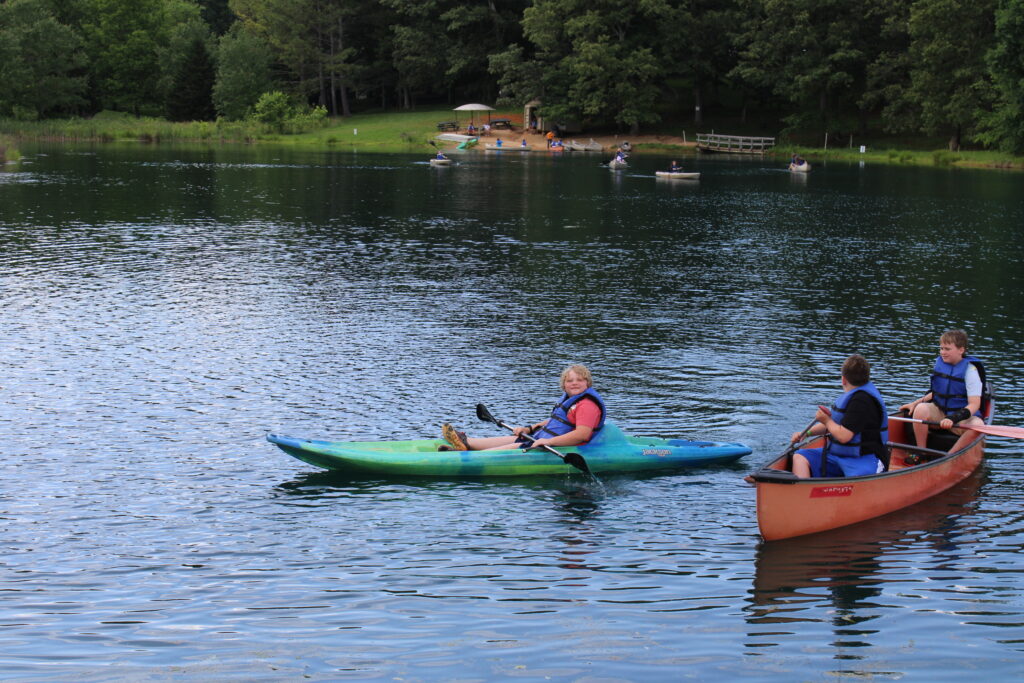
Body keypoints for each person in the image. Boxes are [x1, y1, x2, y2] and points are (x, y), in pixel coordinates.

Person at [440, 364, 606, 451]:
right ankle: (467, 443)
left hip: (561, 446)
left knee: (514, 446)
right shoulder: (570, 400)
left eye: (579, 380)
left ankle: (464, 456)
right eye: (570, 381)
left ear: (588, 383)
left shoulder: (587, 405)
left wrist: (548, 441)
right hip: (543, 438)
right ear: (564, 384)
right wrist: (529, 428)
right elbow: (558, 421)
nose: (574, 383)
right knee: (515, 439)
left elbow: (581, 435)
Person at [789, 354, 889, 478]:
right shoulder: (852, 397)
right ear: (867, 377)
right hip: (838, 456)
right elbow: (833, 425)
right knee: (800, 457)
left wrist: (826, 420)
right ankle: (803, 492)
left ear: (843, 379)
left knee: (857, 479)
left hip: (865, 459)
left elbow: (843, 436)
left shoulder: (862, 401)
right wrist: (806, 433)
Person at [898, 329, 987, 453]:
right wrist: (916, 403)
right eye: (941, 348)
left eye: (947, 349)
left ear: (961, 350)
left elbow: (974, 404)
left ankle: (950, 456)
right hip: (940, 412)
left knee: (978, 426)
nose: (943, 353)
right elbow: (937, 393)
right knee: (920, 409)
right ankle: (921, 451)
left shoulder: (970, 371)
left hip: (961, 417)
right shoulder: (941, 364)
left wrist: (953, 418)